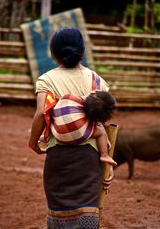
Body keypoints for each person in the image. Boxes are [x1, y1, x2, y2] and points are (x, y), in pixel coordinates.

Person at [28, 27, 116, 229]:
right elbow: (105, 123)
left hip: (58, 157)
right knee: (88, 213)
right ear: (82, 51)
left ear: (53, 53)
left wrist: (33, 142)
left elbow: (41, 113)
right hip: (89, 158)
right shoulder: (97, 81)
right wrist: (108, 162)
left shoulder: (47, 79)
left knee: (58, 216)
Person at [40, 90, 117, 165]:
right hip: (77, 136)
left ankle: (46, 136)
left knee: (54, 116)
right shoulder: (94, 117)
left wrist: (90, 93)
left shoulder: (69, 98)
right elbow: (100, 122)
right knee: (101, 133)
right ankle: (104, 155)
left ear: (93, 93)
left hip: (57, 134)